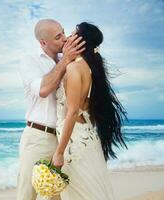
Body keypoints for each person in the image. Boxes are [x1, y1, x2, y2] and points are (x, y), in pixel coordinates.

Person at [51, 22, 128, 200]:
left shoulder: (74, 68)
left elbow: (72, 112)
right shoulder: (89, 68)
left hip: (73, 141)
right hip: (85, 136)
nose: (67, 38)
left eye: (71, 34)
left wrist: (60, 152)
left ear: (80, 42)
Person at [17, 19, 85, 200]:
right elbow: (43, 90)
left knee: (56, 196)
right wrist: (66, 62)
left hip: (63, 139)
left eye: (63, 32)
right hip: (38, 137)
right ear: (43, 42)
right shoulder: (29, 60)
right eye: (58, 37)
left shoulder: (67, 59)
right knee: (27, 194)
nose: (64, 39)